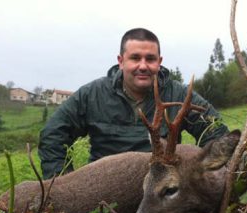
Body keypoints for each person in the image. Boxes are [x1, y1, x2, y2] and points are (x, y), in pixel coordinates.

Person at [38, 28, 229, 179]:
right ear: (121, 61)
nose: (143, 66)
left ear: (159, 62)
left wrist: (199, 175)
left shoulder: (178, 94)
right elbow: (52, 135)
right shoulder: (91, 94)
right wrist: (65, 182)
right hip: (102, 192)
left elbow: (216, 131)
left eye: (151, 59)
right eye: (135, 58)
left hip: (160, 192)